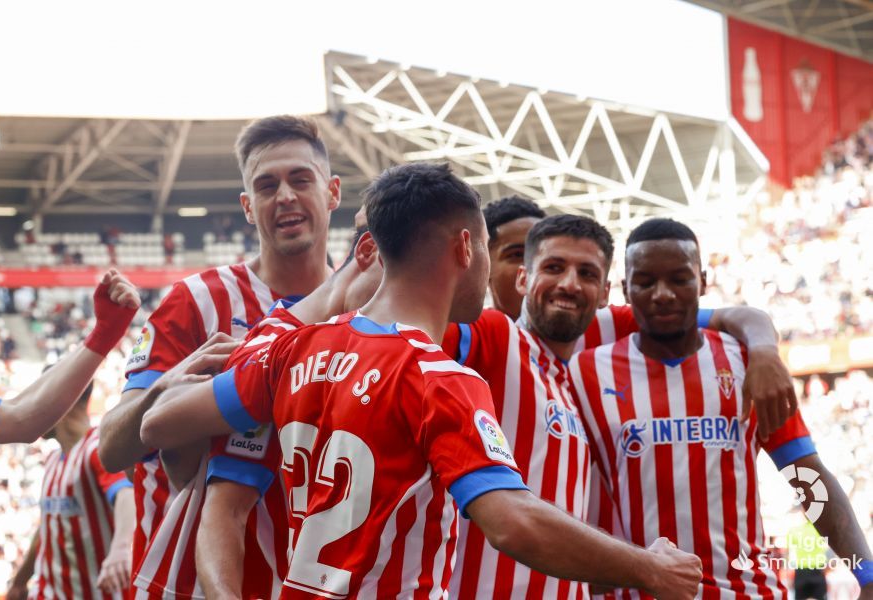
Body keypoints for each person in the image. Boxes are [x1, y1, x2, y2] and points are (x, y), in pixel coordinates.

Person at [140, 163, 703, 599]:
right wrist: (647, 567)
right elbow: (511, 523)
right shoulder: (439, 378)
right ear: (465, 248)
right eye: (486, 245)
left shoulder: (292, 347)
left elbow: (160, 423)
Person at [441, 214, 797, 599]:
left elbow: (709, 312)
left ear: (606, 294)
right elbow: (415, 323)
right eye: (554, 267)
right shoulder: (496, 336)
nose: (570, 284)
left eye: (587, 273)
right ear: (524, 279)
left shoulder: (578, 370)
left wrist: (763, 347)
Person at [571, 218, 873, 598]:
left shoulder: (748, 364)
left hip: (747, 591)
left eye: (680, 278)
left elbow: (806, 474)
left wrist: (866, 572)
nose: (662, 294)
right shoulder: (584, 373)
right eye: (646, 281)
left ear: (703, 281)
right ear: (625, 290)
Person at [97, 115, 340, 586]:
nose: (285, 196)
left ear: (332, 193)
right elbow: (111, 448)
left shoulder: (360, 314)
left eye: (300, 179)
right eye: (267, 186)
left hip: (310, 582)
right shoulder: (195, 302)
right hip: (185, 582)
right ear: (249, 207)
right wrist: (165, 390)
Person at [134, 227, 382, 599]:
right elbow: (157, 432)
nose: (396, 303)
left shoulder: (375, 345)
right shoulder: (275, 347)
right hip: (218, 582)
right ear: (369, 252)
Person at [0, 269, 138, 451]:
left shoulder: (91, 458)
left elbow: (20, 412)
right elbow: (21, 416)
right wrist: (105, 333)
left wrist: (104, 332)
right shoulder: (56, 463)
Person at [7, 381, 136, 600]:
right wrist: (20, 580)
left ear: (61, 400)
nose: (32, 408)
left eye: (39, 399)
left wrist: (121, 548)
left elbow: (125, 494)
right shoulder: (53, 460)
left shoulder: (96, 449)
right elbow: (48, 526)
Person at [482, 195, 546, 320]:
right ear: (484, 267)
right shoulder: (461, 336)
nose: (535, 267)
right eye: (517, 254)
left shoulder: (590, 334)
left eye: (544, 255)